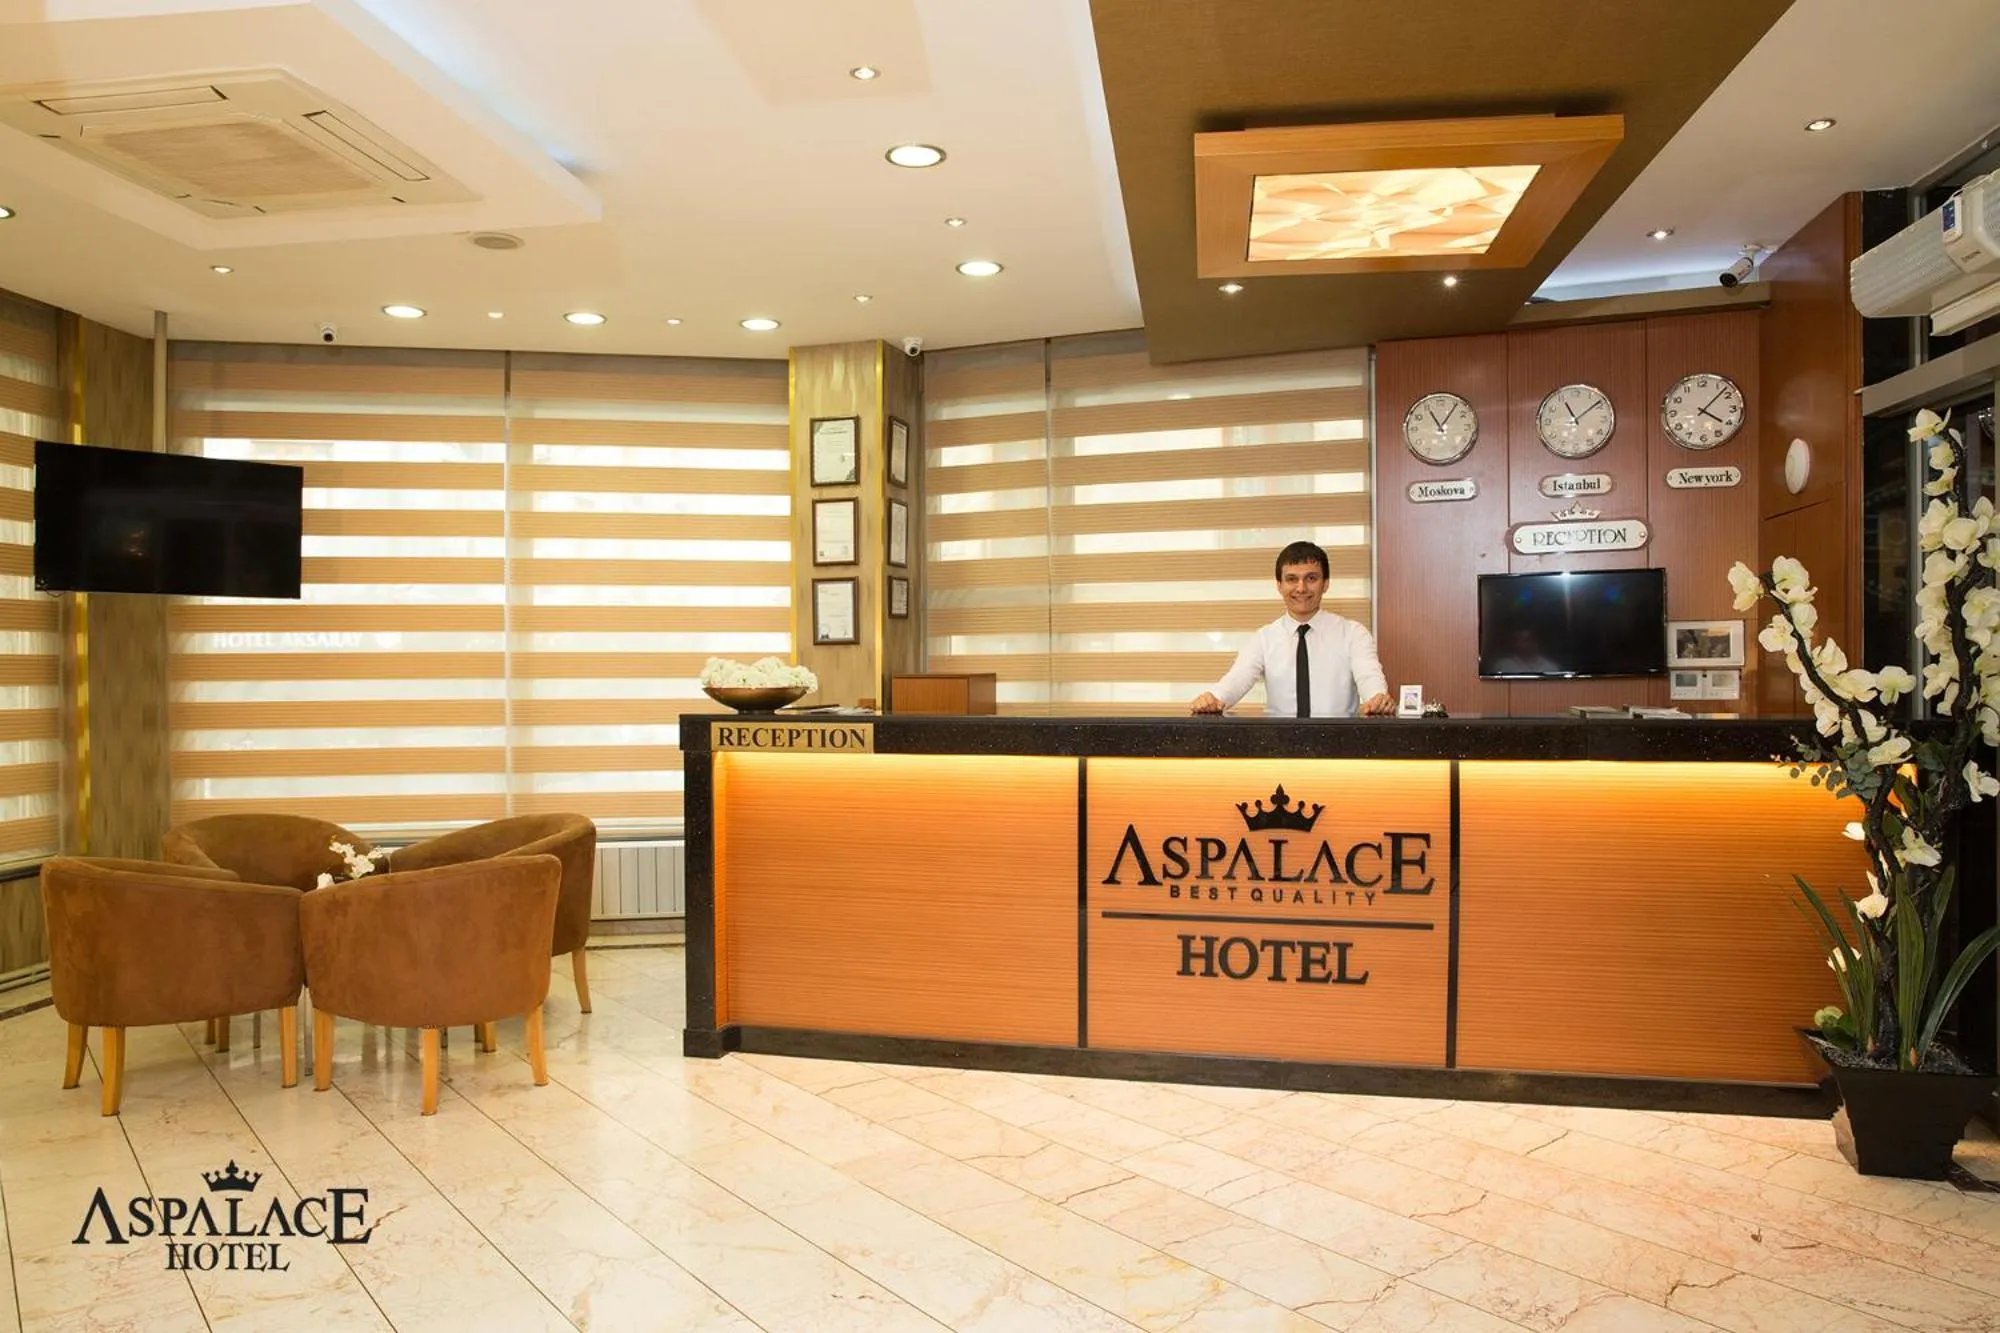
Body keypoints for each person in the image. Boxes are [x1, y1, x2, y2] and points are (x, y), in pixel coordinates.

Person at [1190, 540, 1394, 717]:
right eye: (1291, 579)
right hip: (1279, 749)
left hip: (1339, 750)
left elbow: (1369, 676)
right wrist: (1212, 698)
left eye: (1311, 578)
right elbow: (1236, 680)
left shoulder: (1353, 633)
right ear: (1279, 585)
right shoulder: (1264, 638)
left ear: (1326, 584)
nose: (1301, 588)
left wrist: (1377, 699)